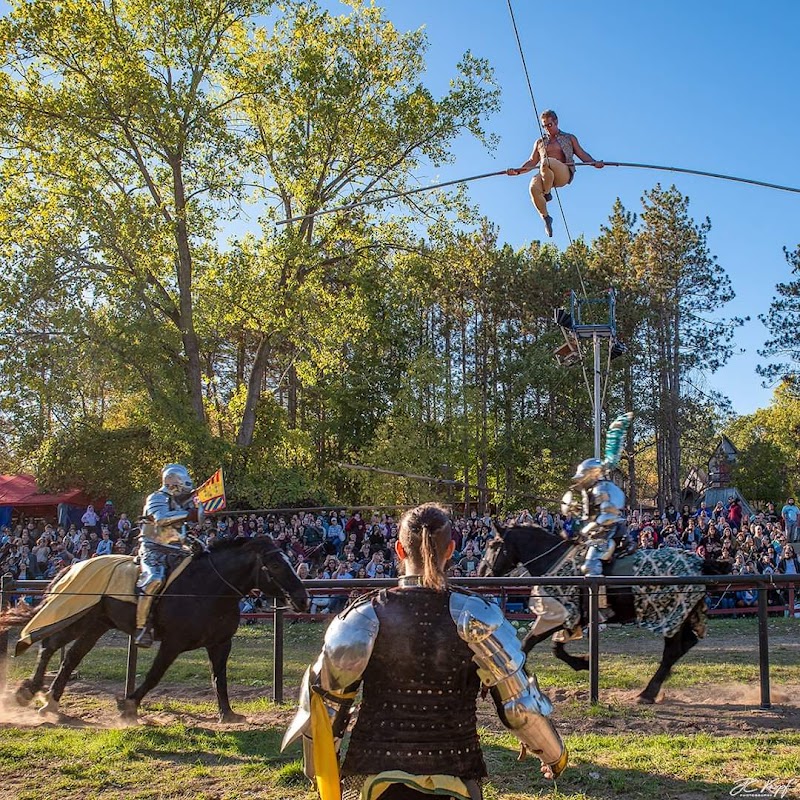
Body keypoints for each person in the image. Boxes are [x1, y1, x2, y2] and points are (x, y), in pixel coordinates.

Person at [282, 503, 567, 800]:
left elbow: (324, 705)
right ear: (451, 550)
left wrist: (318, 770)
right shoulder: (475, 616)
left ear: (399, 551)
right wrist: (554, 754)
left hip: (376, 779)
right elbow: (520, 706)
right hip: (454, 773)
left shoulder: (362, 617)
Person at [134, 464, 204, 648]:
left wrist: (191, 541)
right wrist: (190, 515)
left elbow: (176, 532)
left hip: (177, 550)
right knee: (154, 579)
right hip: (153, 549)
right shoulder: (156, 497)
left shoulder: (179, 504)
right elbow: (161, 519)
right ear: (174, 484)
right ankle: (142, 627)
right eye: (183, 487)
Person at [507, 109, 603, 238]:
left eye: (549, 125)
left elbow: (582, 153)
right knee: (533, 188)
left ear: (556, 122)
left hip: (562, 173)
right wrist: (517, 171)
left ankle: (547, 193)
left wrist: (594, 163)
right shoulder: (540, 142)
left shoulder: (569, 138)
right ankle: (546, 218)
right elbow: (532, 161)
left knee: (546, 161)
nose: (547, 128)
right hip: (545, 174)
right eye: (544, 126)